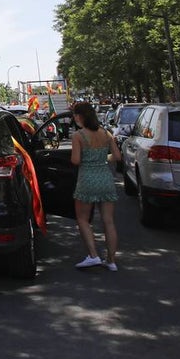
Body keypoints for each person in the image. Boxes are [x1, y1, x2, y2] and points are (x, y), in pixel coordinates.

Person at [69, 101, 120, 271]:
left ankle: (93, 255)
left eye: (75, 115)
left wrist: (87, 160)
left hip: (87, 179)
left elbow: (75, 160)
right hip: (105, 178)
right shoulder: (106, 133)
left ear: (79, 116)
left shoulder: (78, 136)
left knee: (83, 219)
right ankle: (111, 260)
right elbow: (117, 156)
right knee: (109, 221)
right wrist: (102, 159)